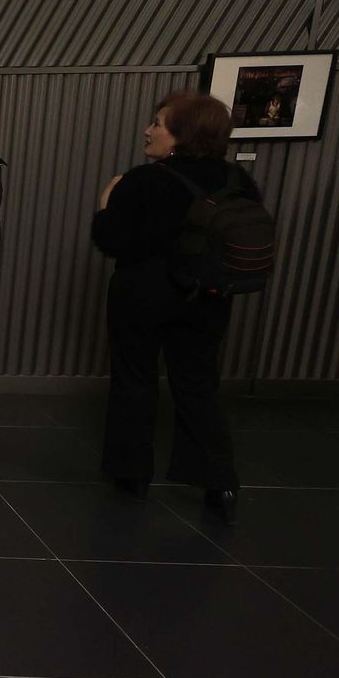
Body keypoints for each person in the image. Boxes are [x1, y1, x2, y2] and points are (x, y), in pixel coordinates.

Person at [92, 92, 254, 524]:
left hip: (143, 295)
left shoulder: (145, 181)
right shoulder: (237, 181)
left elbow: (111, 240)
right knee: (199, 384)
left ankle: (132, 475)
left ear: (182, 135)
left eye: (158, 123)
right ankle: (218, 480)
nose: (148, 130)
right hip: (208, 297)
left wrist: (106, 204)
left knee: (134, 379)